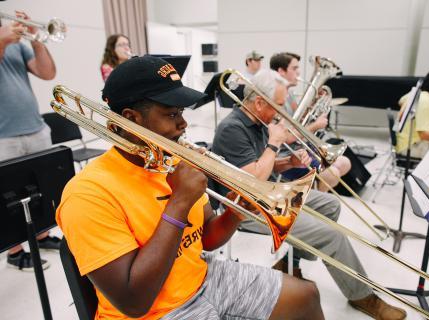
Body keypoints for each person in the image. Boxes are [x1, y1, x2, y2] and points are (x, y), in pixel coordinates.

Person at [56, 55, 324, 320]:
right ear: (131, 118)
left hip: (202, 278)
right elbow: (134, 302)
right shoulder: (87, 193)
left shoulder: (171, 160)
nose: (183, 124)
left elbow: (207, 238)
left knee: (306, 295)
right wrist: (179, 202)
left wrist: (235, 212)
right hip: (155, 313)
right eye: (172, 114)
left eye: (182, 112)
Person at [211, 69, 407, 320]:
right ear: (259, 102)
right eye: (279, 105)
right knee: (331, 236)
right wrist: (274, 143)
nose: (282, 112)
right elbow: (252, 180)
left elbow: (262, 165)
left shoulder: (258, 122)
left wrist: (288, 162)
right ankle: (363, 296)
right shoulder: (232, 129)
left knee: (330, 205)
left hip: (271, 194)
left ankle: (289, 264)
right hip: (246, 208)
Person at [0, 10, 61, 271]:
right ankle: (14, 251)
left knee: (41, 189)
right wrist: (2, 41)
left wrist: (36, 39)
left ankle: (43, 235)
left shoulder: (17, 46)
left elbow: (47, 73)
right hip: (4, 136)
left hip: (35, 128)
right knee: (8, 196)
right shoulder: (5, 42)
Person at [270, 52, 351, 191]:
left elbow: (300, 119)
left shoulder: (288, 93)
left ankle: (317, 193)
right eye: (294, 68)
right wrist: (315, 125)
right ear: (281, 71)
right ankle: (317, 200)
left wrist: (315, 102)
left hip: (301, 148)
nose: (299, 72)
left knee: (345, 163)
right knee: (333, 175)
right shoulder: (275, 97)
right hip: (286, 156)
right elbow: (286, 138)